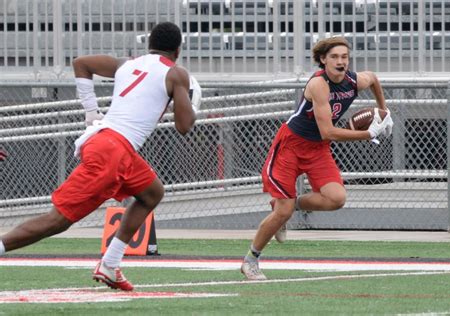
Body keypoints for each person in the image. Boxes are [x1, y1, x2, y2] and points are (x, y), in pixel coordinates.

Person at [0, 22, 200, 291]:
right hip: (113, 150)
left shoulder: (126, 64)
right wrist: (190, 101)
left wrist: (91, 112)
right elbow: (184, 126)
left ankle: (110, 263)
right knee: (58, 220)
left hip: (114, 145)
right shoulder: (176, 73)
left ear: (149, 44)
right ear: (178, 50)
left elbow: (81, 63)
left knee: (152, 192)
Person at [240, 37, 393, 280]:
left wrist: (384, 112)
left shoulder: (353, 81)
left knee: (336, 198)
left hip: (317, 149)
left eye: (344, 56)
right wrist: (368, 133)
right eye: (334, 57)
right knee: (283, 211)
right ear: (323, 60)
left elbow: (373, 77)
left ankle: (289, 207)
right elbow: (328, 132)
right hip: (291, 146)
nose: (341, 61)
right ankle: (251, 260)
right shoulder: (319, 84)